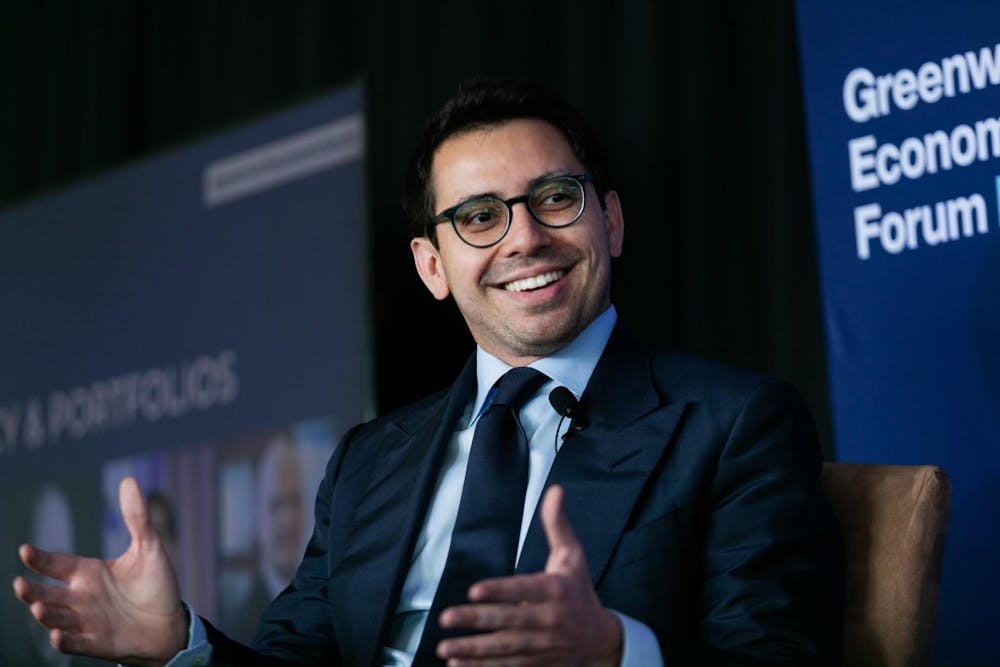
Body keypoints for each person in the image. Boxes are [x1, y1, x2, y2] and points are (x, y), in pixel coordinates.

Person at [12, 76, 844, 666]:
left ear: (611, 220)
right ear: (431, 266)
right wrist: (178, 643)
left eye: (555, 197)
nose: (523, 238)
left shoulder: (735, 421)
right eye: (479, 217)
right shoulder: (367, 461)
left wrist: (618, 652)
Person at [221, 433, 308, 644]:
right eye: (275, 505)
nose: (288, 520)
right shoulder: (241, 626)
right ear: (257, 519)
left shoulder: (324, 597)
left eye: (294, 500)